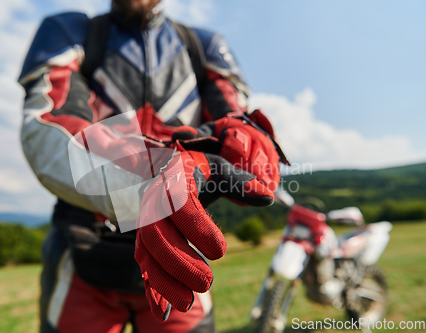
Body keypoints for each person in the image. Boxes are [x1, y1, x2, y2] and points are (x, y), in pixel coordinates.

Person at [18, 0, 283, 332]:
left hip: (181, 258)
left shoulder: (206, 46)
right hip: (84, 251)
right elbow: (49, 130)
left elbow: (235, 128)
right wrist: (156, 182)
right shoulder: (70, 33)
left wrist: (240, 150)